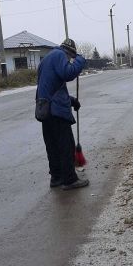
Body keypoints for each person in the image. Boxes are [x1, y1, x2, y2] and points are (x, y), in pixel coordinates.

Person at [36, 38, 89, 190]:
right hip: (56, 111)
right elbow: (68, 74)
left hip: (44, 109)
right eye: (71, 57)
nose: (70, 60)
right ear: (69, 52)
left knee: (52, 146)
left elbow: (52, 86)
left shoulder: (47, 59)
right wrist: (79, 60)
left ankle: (56, 178)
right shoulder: (59, 55)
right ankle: (69, 180)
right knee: (66, 146)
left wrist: (71, 101)